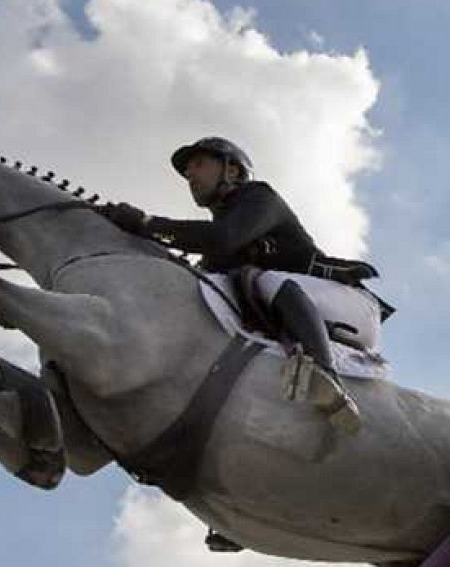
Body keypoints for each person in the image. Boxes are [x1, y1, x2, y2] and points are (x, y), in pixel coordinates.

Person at [99, 137, 381, 434]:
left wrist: (146, 223)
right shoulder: (220, 245)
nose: (190, 175)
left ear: (232, 171)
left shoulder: (260, 198)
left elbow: (224, 237)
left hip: (353, 309)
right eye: (187, 172)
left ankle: (327, 376)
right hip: (307, 307)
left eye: (199, 164)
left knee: (266, 279)